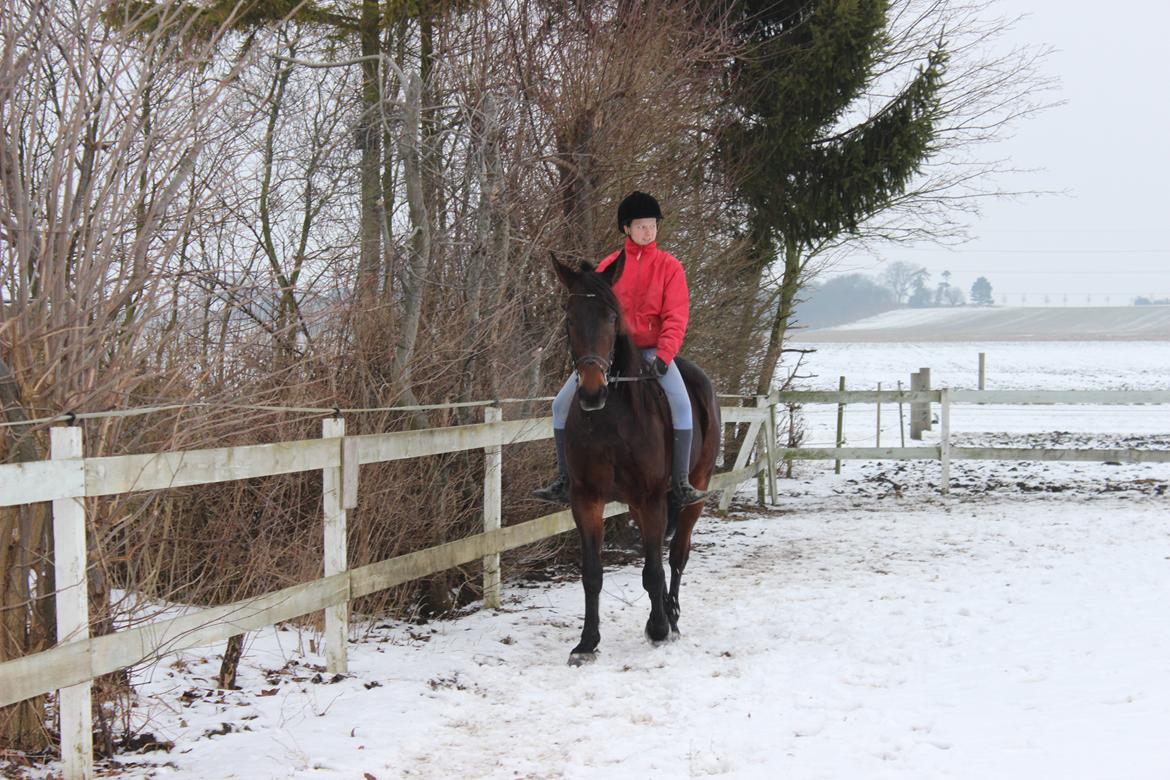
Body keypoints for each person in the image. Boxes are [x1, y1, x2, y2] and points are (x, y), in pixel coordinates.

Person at [534, 191, 710, 507]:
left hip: (653, 353)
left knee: (682, 405)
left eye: (652, 225)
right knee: (560, 406)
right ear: (626, 229)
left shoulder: (670, 267)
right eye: (641, 225)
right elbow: (596, 318)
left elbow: (676, 316)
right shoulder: (609, 267)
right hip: (611, 356)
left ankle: (681, 482)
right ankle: (564, 480)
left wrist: (664, 355)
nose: (648, 231)